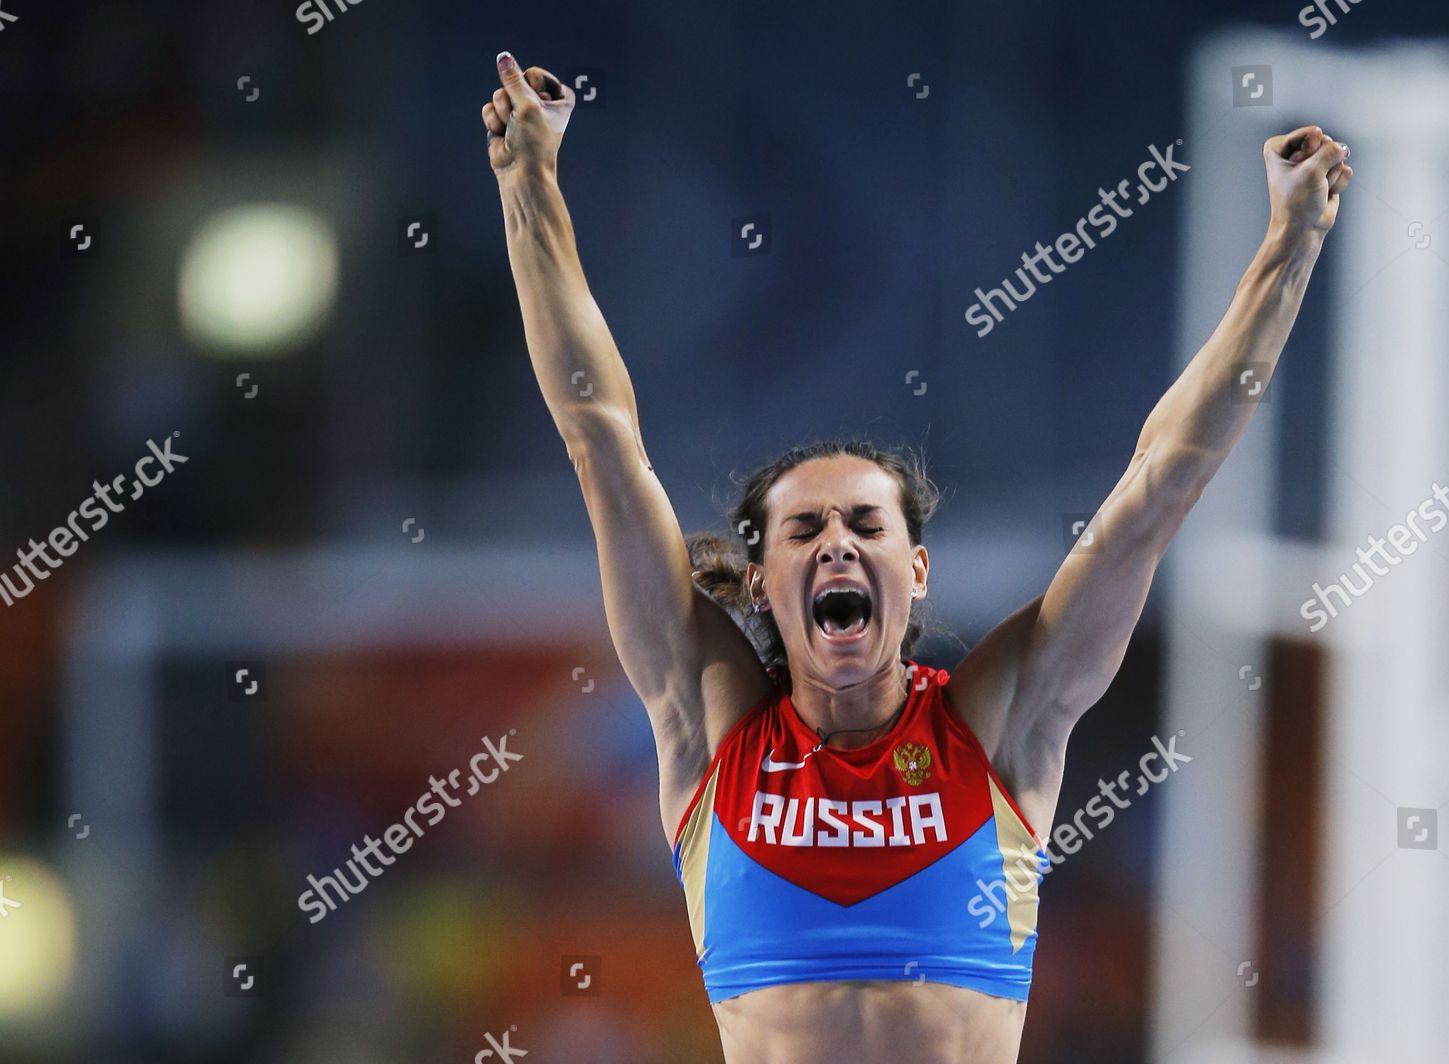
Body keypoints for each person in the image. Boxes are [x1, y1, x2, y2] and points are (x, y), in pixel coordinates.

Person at [482, 49, 1352, 1064]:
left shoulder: (1001, 720)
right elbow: (599, 432)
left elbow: (1163, 482)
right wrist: (528, 182)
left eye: (865, 523)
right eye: (805, 530)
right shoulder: (709, 722)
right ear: (761, 579)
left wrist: (1292, 239)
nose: (837, 542)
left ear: (920, 571)